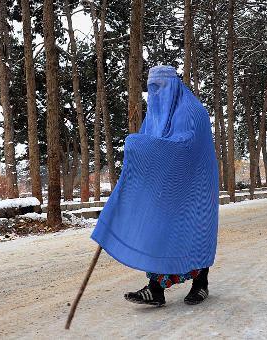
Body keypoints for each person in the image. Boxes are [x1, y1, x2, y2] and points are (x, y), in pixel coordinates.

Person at [91, 65, 219, 307]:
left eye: (160, 87)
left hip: (196, 189)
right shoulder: (155, 115)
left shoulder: (194, 112)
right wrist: (136, 152)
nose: (156, 94)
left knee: (194, 233)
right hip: (167, 190)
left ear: (174, 84)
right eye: (152, 89)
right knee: (159, 232)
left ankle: (201, 284)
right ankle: (155, 289)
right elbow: (149, 146)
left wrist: (138, 144)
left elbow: (186, 146)